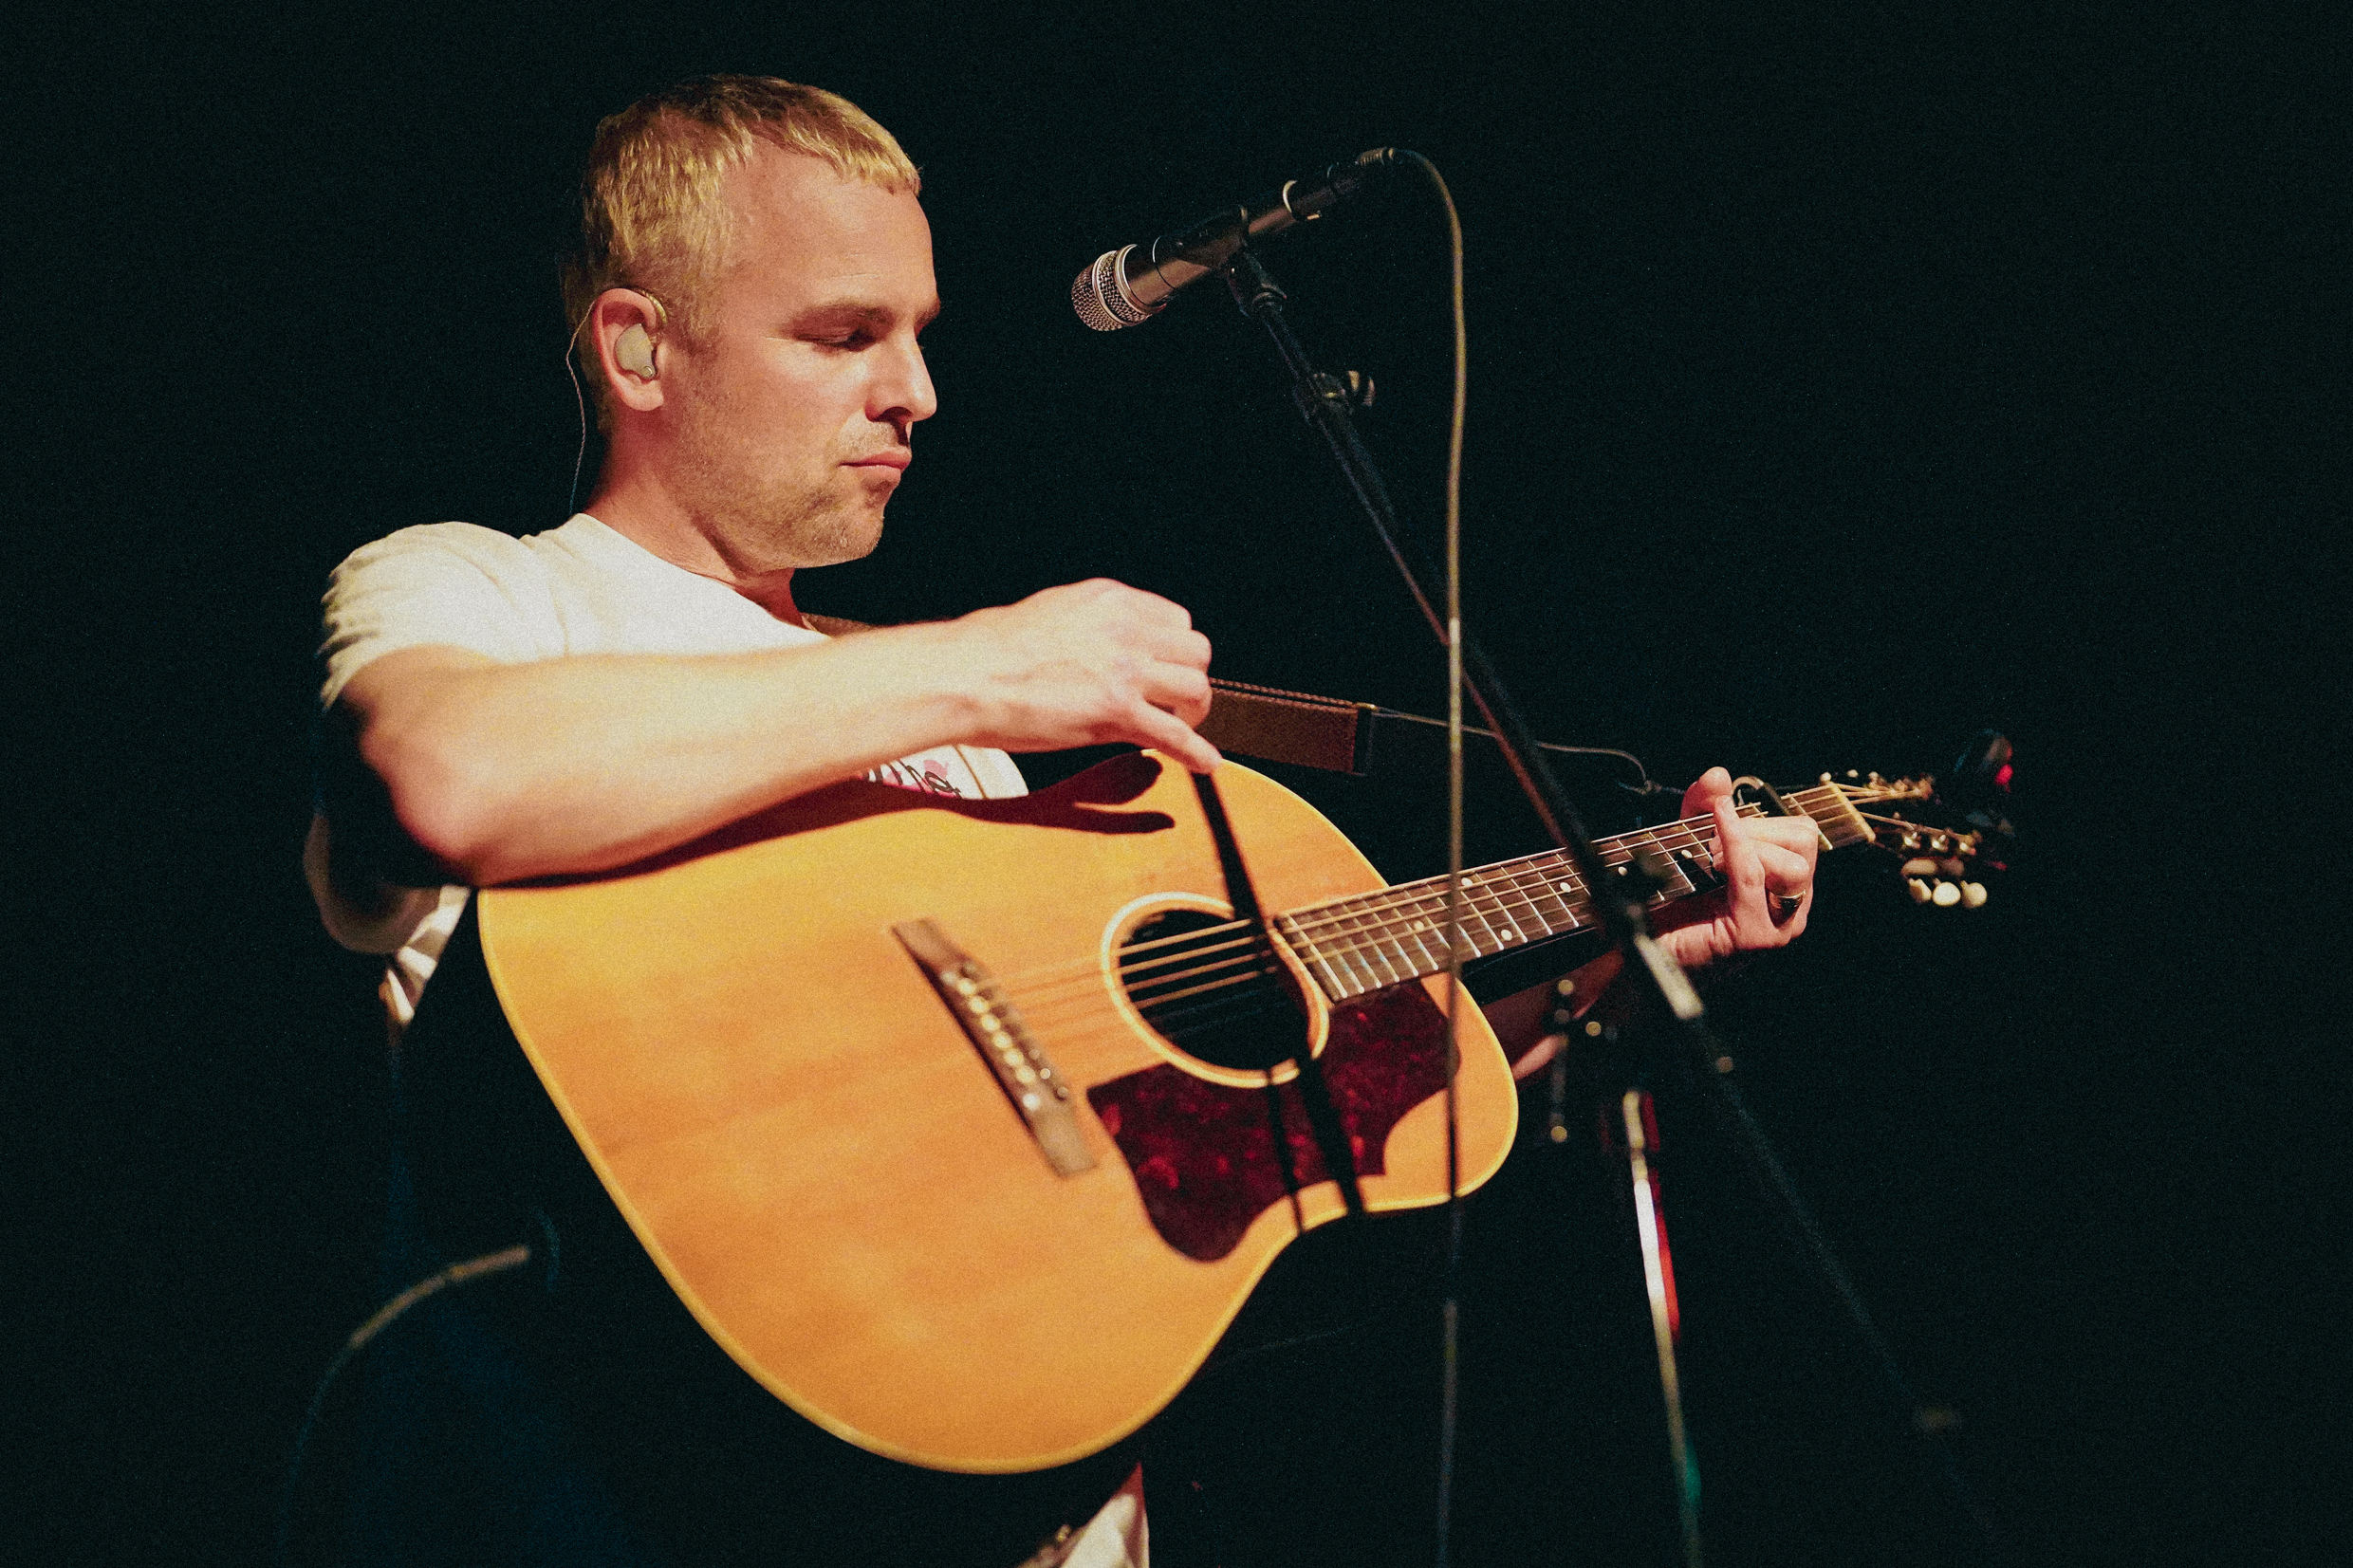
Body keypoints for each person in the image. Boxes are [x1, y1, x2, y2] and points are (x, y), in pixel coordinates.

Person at [306, 75, 1820, 1568]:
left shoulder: (928, 719)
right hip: (643, 1478)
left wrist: (1627, 946)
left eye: (919, 335)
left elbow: (1269, 1111)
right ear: (641, 350)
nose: (917, 392)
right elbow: (442, 777)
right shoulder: (487, 591)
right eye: (844, 335)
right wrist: (983, 662)